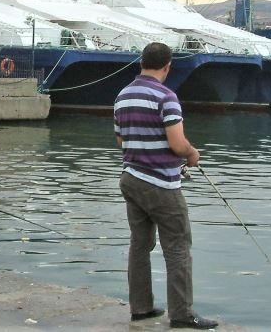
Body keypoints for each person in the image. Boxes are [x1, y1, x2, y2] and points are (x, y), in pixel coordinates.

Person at [114, 42, 218, 329]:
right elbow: (177, 143)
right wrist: (192, 154)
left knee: (140, 245)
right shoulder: (166, 97)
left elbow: (121, 140)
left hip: (131, 179)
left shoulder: (122, 96)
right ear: (167, 66)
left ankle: (141, 308)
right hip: (160, 184)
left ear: (141, 63)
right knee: (178, 247)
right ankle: (182, 315)